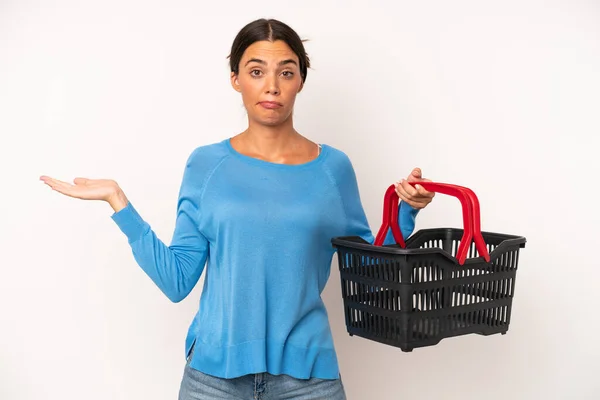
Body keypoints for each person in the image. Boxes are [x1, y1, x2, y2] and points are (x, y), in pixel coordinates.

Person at [40, 18, 435, 400]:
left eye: (285, 72)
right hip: (212, 381)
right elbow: (177, 280)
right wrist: (119, 203)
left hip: (308, 380)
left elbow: (369, 272)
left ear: (300, 81)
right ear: (236, 80)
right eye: (256, 70)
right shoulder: (206, 165)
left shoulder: (333, 169)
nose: (272, 86)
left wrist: (405, 210)